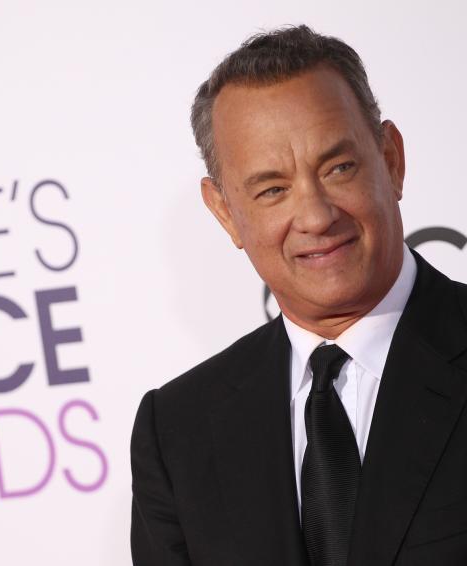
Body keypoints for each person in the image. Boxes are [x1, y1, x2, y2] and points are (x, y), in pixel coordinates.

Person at [130, 25, 467, 566]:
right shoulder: (176, 433)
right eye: (272, 190)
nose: (315, 216)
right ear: (225, 213)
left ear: (391, 160)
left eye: (338, 168)